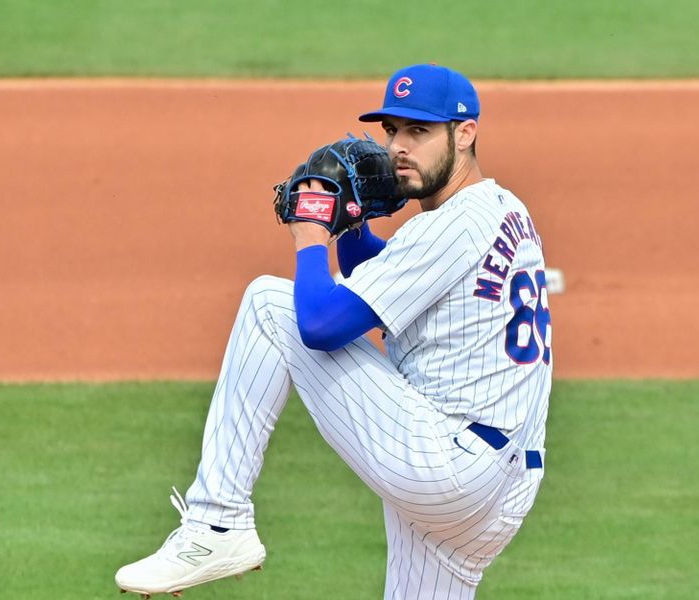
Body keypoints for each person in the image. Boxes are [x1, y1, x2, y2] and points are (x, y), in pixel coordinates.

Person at [115, 63, 553, 599]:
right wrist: (352, 222)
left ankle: (217, 522)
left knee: (267, 305)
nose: (399, 147)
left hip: (446, 466)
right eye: (392, 131)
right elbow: (400, 279)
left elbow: (321, 324)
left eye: (419, 132)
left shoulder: (449, 226)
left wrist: (311, 234)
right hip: (500, 490)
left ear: (465, 134)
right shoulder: (503, 209)